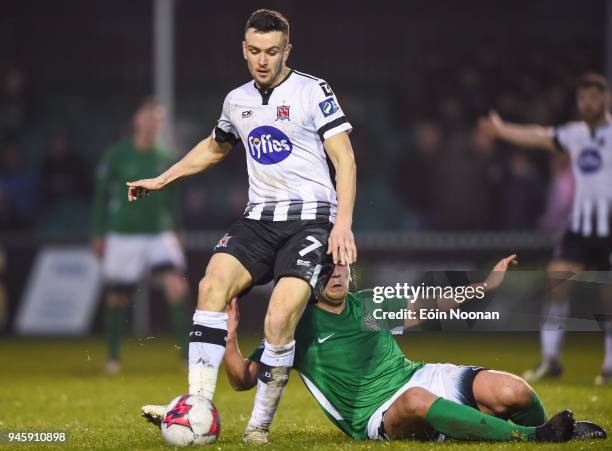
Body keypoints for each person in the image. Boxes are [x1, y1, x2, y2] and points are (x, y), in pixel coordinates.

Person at [126, 9, 357, 444]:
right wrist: (162, 179)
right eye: (254, 51)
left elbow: (344, 157)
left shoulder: (312, 91)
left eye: (272, 51)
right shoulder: (237, 100)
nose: (263, 60)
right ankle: (197, 405)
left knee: (278, 318)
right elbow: (214, 148)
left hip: (310, 221)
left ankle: (258, 426)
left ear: (287, 50)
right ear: (244, 50)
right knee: (210, 285)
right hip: (259, 220)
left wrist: (342, 224)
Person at [141, 256, 606, 443]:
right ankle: (530, 440)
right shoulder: (293, 326)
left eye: (342, 266)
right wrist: (229, 338)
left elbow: (428, 305)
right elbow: (244, 379)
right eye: (329, 268)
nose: (339, 274)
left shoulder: (368, 304)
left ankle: (541, 425)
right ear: (311, 278)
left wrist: (484, 287)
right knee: (418, 403)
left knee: (514, 390)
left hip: (420, 375)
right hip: (377, 414)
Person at [479, 73, 612, 384]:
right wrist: (501, 131)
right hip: (580, 228)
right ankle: (550, 361)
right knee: (556, 286)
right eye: (583, 98)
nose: (588, 103)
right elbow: (538, 135)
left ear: (604, 99)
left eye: (594, 97)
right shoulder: (575, 134)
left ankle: (609, 367)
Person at [91, 98, 189, 374]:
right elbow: (100, 197)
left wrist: (178, 229)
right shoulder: (117, 155)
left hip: (159, 234)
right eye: (148, 116)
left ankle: (186, 356)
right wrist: (98, 232)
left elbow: (174, 198)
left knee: (176, 287)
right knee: (116, 297)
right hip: (124, 235)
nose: (152, 122)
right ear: (137, 120)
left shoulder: (166, 156)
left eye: (158, 118)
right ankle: (113, 358)